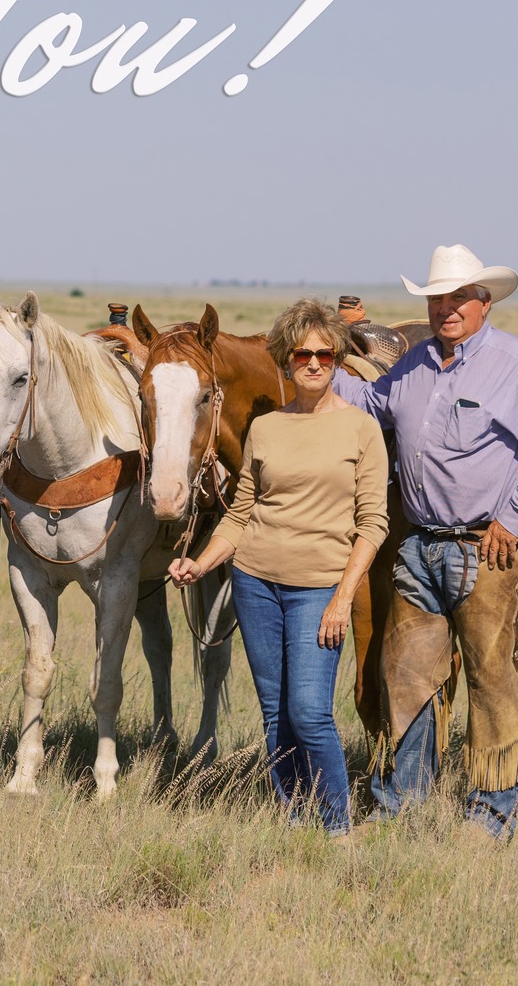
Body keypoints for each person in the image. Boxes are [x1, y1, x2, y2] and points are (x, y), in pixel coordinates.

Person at [331, 245, 518, 839]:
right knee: (407, 677)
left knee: (492, 680)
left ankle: (490, 816)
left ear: (484, 301)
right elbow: (371, 404)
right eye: (437, 298)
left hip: (486, 552)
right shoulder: (415, 365)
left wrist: (514, 519)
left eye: (458, 297)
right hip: (420, 549)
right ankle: (402, 807)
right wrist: (314, 364)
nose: (446, 308)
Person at [170, 298, 388, 837]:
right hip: (256, 583)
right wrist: (200, 564)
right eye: (301, 353)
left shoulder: (362, 429)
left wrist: (343, 597)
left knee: (311, 712)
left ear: (337, 357)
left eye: (324, 353)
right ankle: (294, 820)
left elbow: (373, 525)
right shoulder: (265, 429)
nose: (313, 362)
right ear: (285, 359)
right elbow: (241, 514)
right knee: (276, 714)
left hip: (320, 589)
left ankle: (337, 828)